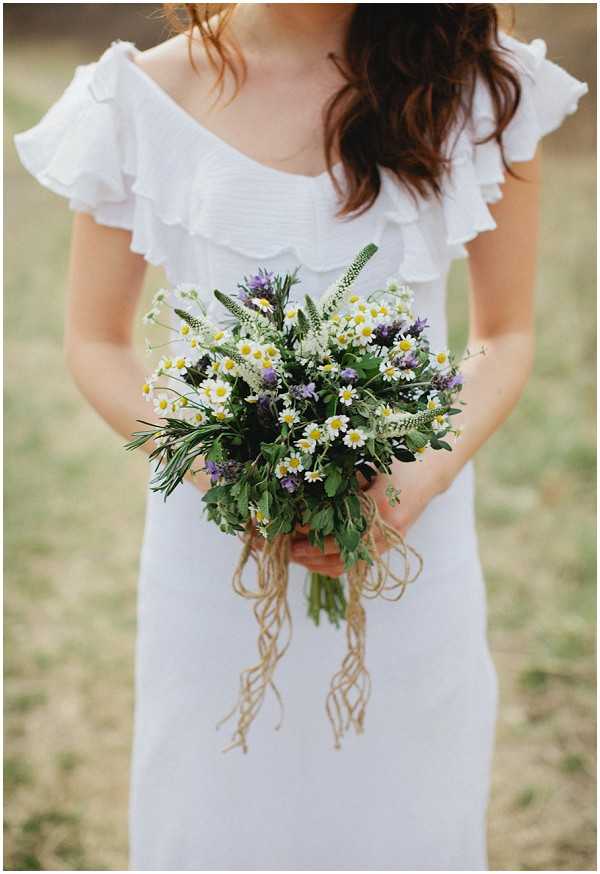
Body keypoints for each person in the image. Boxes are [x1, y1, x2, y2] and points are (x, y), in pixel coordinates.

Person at [13, 4, 587, 870]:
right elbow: (95, 339)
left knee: (403, 817)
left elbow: (504, 335)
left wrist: (412, 479)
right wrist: (222, 471)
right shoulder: (139, 95)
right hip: (213, 559)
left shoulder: (477, 83)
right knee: (217, 815)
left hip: (410, 545)